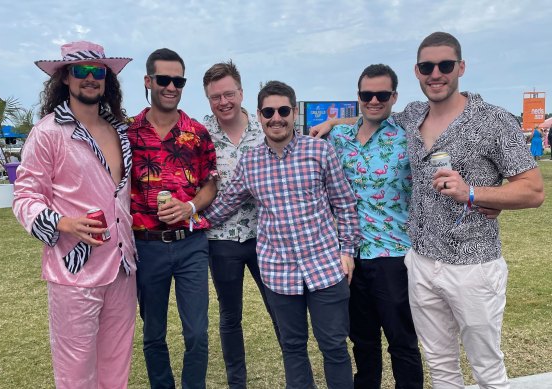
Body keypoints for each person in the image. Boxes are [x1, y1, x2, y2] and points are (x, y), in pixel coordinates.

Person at [393, 31, 544, 388]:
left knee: (487, 368)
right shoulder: (413, 116)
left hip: (474, 266)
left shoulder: (492, 120)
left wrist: (473, 193)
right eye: (426, 66)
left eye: (445, 65)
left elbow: (533, 190)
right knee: (441, 366)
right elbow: (373, 115)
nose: (436, 73)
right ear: (416, 71)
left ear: (461, 67)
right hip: (422, 260)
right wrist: (331, 123)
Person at [205, 81, 359, 389]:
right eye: (269, 112)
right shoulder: (250, 162)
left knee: (334, 348)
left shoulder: (320, 151)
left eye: (283, 111)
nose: (277, 118)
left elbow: (344, 204)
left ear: (294, 111)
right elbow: (224, 205)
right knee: (293, 348)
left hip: (325, 267)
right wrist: (188, 218)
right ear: (260, 115)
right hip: (279, 272)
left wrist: (347, 252)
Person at [12, 41, 137, 388]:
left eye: (98, 71)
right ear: (66, 78)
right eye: (81, 71)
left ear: (106, 79)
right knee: (75, 371)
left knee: (116, 362)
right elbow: (24, 195)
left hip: (122, 267)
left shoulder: (119, 130)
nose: (90, 78)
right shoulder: (48, 132)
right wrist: (63, 223)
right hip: (75, 269)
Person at [327, 64, 423, 388]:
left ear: (394, 96)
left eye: (382, 94)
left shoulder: (409, 136)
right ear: (358, 97)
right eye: (367, 95)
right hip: (350, 257)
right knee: (363, 343)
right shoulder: (340, 137)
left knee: (402, 342)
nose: (374, 100)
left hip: (394, 255)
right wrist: (330, 121)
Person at [128, 48, 218, 389]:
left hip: (190, 244)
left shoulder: (196, 132)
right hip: (146, 246)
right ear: (149, 81)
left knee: (196, 332)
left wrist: (190, 207)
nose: (171, 87)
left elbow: (211, 183)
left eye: (178, 80)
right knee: (153, 333)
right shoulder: (128, 133)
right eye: (164, 79)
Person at [202, 61, 280, 388]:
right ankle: (238, 382)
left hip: (266, 236)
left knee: (281, 308)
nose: (223, 102)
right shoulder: (200, 133)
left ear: (241, 92)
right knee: (230, 316)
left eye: (229, 93)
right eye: (215, 96)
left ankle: (299, 372)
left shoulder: (267, 127)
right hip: (220, 240)